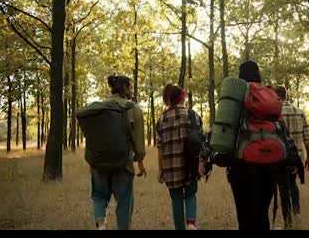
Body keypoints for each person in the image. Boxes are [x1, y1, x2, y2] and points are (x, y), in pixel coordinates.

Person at [200, 60, 284, 230]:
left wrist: (206, 156)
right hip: (271, 162)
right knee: (262, 212)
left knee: (245, 214)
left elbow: (223, 125)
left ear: (240, 76)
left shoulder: (237, 94)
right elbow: (281, 128)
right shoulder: (268, 94)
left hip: (242, 163)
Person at [89, 75, 146, 230]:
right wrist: (139, 160)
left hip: (99, 163)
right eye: (131, 87)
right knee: (124, 202)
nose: (132, 90)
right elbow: (139, 145)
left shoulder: (98, 108)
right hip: (123, 164)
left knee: (99, 196)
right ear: (125, 88)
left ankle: (101, 225)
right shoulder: (133, 108)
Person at [156, 84, 202, 230]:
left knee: (176, 200)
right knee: (190, 195)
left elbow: (160, 147)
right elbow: (201, 141)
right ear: (182, 98)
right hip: (190, 164)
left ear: (169, 99)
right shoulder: (192, 115)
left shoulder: (161, 119)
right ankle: (191, 223)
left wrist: (161, 169)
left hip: (170, 167)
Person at [274, 86, 309, 229]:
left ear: (276, 96)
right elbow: (308, 138)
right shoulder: (300, 112)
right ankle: (296, 212)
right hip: (297, 158)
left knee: (283, 187)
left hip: (280, 158)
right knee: (292, 184)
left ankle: (288, 222)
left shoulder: (274, 113)